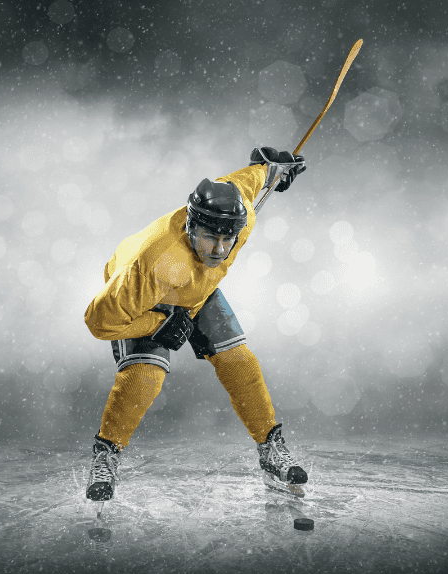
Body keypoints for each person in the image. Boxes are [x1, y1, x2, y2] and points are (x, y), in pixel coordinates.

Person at [83, 146, 308, 500]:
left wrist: (273, 169)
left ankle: (270, 449)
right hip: (150, 302)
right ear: (190, 226)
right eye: (209, 237)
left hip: (195, 291)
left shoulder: (243, 217)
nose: (219, 250)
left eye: (226, 240)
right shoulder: (148, 266)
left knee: (240, 362)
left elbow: (247, 180)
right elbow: (99, 323)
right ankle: (106, 455)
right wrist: (158, 323)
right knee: (146, 375)